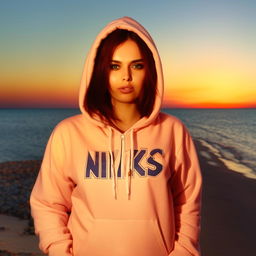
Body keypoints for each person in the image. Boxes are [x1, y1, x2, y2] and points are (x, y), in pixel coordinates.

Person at [30, 16, 202, 256]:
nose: (126, 76)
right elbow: (48, 203)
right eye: (115, 66)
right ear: (99, 70)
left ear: (150, 70)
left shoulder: (172, 131)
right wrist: (59, 250)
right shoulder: (68, 133)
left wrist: (184, 251)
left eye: (137, 65)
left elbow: (187, 202)